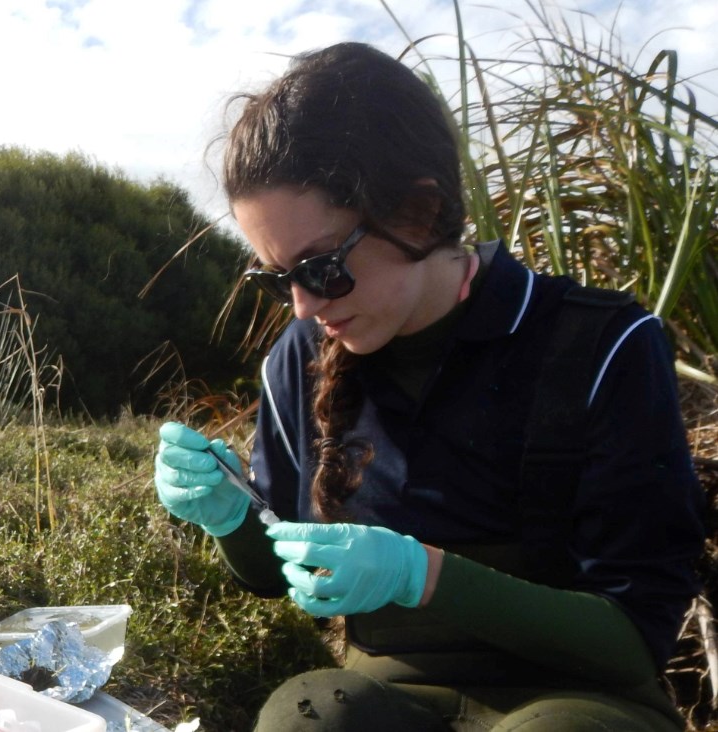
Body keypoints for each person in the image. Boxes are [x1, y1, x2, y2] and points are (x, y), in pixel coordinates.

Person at [152, 42, 705, 731]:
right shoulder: (299, 357)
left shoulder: (603, 346)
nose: (301, 306)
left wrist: (425, 576)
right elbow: (272, 574)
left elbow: (635, 641)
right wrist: (231, 517)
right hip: (389, 699)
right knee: (309, 719)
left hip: (587, 696)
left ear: (418, 213)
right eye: (275, 278)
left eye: (319, 268)